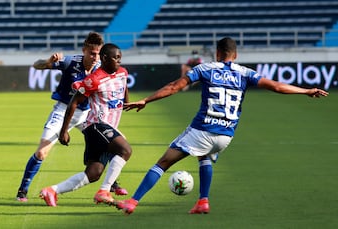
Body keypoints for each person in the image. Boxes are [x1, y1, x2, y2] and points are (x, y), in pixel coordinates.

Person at [115, 37, 329, 215]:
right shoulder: (246, 73)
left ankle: (132, 202)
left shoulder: (205, 69)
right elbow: (277, 87)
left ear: (217, 53)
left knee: (164, 162)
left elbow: (173, 87)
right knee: (204, 156)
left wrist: (146, 100)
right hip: (226, 136)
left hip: (202, 130)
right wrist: (306, 91)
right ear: (235, 55)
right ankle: (203, 201)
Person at [16, 32, 127, 202]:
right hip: (63, 111)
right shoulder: (69, 62)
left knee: (109, 142)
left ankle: (112, 184)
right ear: (84, 50)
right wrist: (47, 62)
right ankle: (23, 190)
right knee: (41, 152)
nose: (95, 57)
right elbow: (36, 65)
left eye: (97, 54)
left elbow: (120, 79)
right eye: (91, 53)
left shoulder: (101, 66)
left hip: (88, 114)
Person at [39, 43, 132, 207]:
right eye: (115, 57)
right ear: (104, 58)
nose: (118, 61)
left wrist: (127, 102)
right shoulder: (94, 79)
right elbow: (73, 102)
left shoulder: (123, 73)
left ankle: (52, 190)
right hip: (96, 125)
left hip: (106, 128)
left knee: (93, 173)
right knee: (125, 150)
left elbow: (123, 87)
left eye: (120, 57)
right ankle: (104, 192)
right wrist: (63, 131)